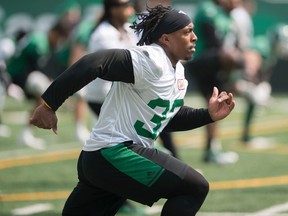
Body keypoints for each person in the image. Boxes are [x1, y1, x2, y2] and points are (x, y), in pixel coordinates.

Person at [30, 5, 235, 216]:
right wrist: (49, 104)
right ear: (166, 39)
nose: (194, 38)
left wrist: (207, 115)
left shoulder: (176, 70)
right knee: (195, 188)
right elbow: (94, 62)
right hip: (114, 153)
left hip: (102, 159)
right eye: (186, 32)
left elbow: (167, 117)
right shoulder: (153, 59)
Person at [184, 0, 241, 164]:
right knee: (233, 57)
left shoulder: (226, 16)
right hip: (202, 60)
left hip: (214, 64)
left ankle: (211, 149)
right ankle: (243, 84)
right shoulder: (208, 8)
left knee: (215, 105)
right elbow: (212, 41)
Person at [6, 20, 70, 149]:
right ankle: (27, 133)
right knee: (44, 89)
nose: (58, 43)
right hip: (16, 76)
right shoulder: (39, 42)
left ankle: (26, 133)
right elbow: (33, 66)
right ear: (54, 33)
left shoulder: (42, 40)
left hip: (22, 74)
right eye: (59, 39)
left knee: (45, 89)